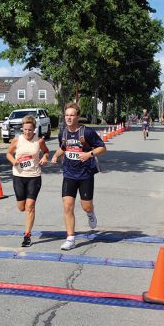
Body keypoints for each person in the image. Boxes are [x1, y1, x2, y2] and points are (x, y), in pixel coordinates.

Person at [51, 102, 106, 251]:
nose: (69, 118)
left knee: (86, 206)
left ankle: (90, 213)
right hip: (69, 174)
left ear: (78, 116)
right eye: (67, 115)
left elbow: (102, 147)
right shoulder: (63, 133)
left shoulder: (86, 132)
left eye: (72, 115)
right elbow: (63, 148)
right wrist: (56, 156)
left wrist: (89, 154)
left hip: (85, 174)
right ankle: (70, 238)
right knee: (67, 206)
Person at [6, 115, 49, 247]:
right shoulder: (17, 140)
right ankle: (27, 228)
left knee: (30, 206)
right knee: (21, 207)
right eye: (25, 129)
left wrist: (45, 158)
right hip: (19, 176)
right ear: (22, 129)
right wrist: (14, 161)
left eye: (30, 130)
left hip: (34, 176)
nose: (27, 132)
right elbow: (8, 154)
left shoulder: (39, 141)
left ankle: (27, 235)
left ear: (34, 129)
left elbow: (46, 152)